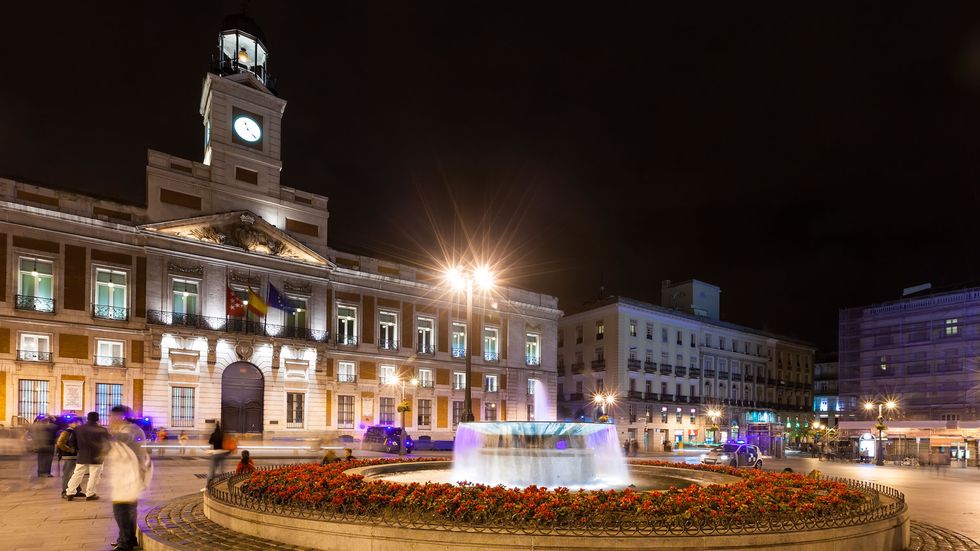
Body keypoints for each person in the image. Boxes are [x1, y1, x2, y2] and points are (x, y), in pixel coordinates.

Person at [106, 406, 151, 551]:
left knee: (122, 510)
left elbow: (126, 439)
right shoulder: (128, 429)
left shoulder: (131, 430)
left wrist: (106, 434)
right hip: (125, 476)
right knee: (125, 510)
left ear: (121, 417)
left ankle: (125, 543)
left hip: (131, 476)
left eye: (112, 416)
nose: (110, 419)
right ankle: (127, 539)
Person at [64, 411, 110, 500]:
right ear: (97, 419)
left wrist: (79, 450)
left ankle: (70, 492)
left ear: (87, 418)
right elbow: (107, 443)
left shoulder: (78, 429)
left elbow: (72, 441)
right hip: (97, 456)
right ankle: (90, 494)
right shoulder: (102, 430)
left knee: (77, 474)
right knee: (94, 475)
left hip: (82, 455)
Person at [56, 417, 83, 498]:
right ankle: (65, 491)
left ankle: (76, 490)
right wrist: (71, 450)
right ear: (70, 424)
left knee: (75, 474)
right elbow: (60, 443)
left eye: (79, 422)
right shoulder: (66, 432)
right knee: (67, 475)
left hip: (75, 456)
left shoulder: (76, 432)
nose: (78, 424)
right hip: (68, 456)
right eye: (76, 422)